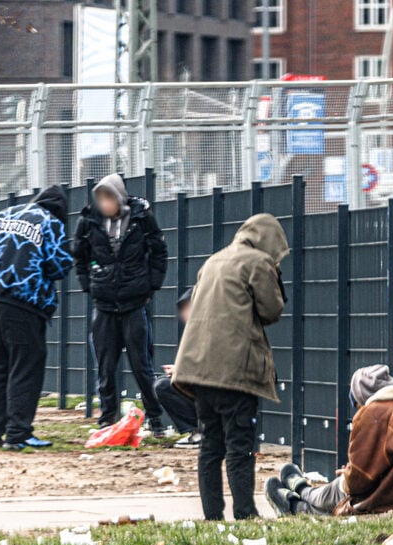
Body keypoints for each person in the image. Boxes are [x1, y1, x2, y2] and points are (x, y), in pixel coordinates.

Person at [173, 214, 289, 521]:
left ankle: (212, 514)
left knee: (211, 444)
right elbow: (271, 310)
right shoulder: (258, 262)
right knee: (240, 444)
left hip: (199, 368)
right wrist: (275, 275)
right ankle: (245, 512)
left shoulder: (214, 261)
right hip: (235, 370)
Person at [266, 364, 393, 517]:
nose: (357, 409)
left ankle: (301, 495)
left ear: (361, 399)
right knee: (342, 488)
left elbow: (357, 482)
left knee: (338, 492)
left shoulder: (373, 414)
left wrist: (348, 474)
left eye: (356, 404)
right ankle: (302, 493)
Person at [0, 186, 73, 451]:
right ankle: (18, 433)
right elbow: (61, 265)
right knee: (26, 368)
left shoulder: (4, 214)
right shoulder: (50, 223)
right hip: (26, 304)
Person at [73, 174, 168, 432]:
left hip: (134, 301)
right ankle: (107, 417)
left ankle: (155, 418)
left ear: (119, 197)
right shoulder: (88, 221)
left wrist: (151, 286)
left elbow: (159, 251)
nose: (105, 204)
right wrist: (89, 285)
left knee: (142, 365)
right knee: (105, 365)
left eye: (109, 198)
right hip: (103, 303)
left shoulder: (141, 218)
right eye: (101, 198)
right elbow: (79, 256)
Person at [153, 288, 201, 447]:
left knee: (164, 384)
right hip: (205, 382)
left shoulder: (215, 330)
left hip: (221, 388)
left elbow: (214, 366)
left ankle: (204, 432)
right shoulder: (196, 331)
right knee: (163, 383)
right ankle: (197, 431)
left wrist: (182, 370)